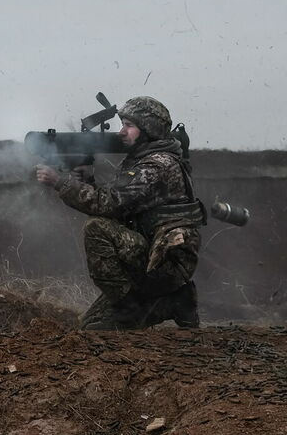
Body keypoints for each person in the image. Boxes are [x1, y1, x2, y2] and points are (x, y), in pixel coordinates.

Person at [34, 96, 203, 330]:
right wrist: (86, 179)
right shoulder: (142, 161)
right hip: (152, 253)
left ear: (149, 129)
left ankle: (136, 308)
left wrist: (60, 182)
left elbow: (108, 205)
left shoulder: (156, 165)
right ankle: (173, 301)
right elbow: (119, 207)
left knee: (96, 228)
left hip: (165, 261)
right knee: (91, 326)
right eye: (122, 124)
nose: (121, 132)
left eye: (129, 125)